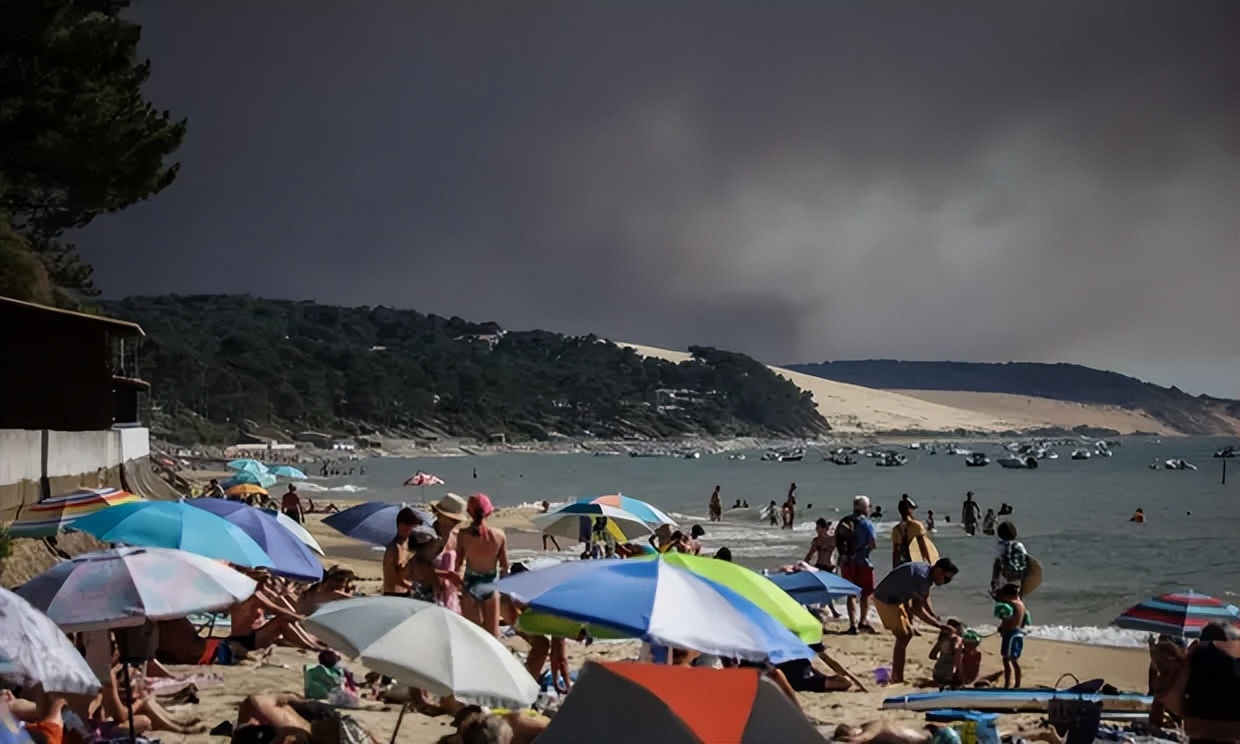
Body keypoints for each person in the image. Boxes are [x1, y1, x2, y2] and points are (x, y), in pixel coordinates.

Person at [871, 558, 959, 684]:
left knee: (907, 634)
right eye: (946, 578)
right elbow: (917, 609)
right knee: (903, 636)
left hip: (896, 600)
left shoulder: (926, 571)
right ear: (939, 571)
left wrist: (934, 616)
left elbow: (925, 597)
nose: (945, 582)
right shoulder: (921, 578)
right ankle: (897, 677)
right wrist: (939, 625)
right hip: (885, 600)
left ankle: (897, 674)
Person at [1165, 622, 1240, 744]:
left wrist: (1185, 716)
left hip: (1199, 726)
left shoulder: (1196, 654)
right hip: (1232, 729)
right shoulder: (1234, 657)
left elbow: (1179, 689)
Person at [456, 494, 509, 637]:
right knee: (492, 635)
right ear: (489, 512)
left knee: (472, 634)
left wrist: (458, 588)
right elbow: (504, 566)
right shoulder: (499, 535)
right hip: (490, 583)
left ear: (469, 512)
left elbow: (458, 564)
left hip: (471, 584)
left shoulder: (463, 535)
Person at [835, 495, 879, 635]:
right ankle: (863, 621)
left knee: (851, 593)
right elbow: (873, 543)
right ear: (863, 508)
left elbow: (837, 540)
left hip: (847, 562)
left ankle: (853, 624)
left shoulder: (845, 521)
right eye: (868, 506)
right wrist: (866, 550)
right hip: (863, 562)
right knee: (866, 594)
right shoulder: (867, 523)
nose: (870, 509)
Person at [406, 525, 463, 605]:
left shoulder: (412, 561)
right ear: (424, 547)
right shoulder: (426, 565)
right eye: (434, 547)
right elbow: (436, 585)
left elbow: (406, 575)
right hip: (427, 600)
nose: (435, 551)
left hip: (414, 598)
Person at [804, 518, 843, 619]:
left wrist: (839, 564)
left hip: (831, 567)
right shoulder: (817, 541)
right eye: (816, 528)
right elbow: (810, 554)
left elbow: (842, 551)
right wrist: (804, 565)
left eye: (818, 528)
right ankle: (831, 611)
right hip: (820, 566)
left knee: (829, 590)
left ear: (824, 528)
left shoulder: (833, 539)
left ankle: (825, 609)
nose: (817, 530)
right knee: (823, 590)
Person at [994, 583, 1030, 688]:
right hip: (1018, 632)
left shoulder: (1012, 603)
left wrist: (1002, 626)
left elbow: (1008, 619)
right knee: (1013, 659)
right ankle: (1017, 684)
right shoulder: (1022, 604)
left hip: (1011, 634)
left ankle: (1007, 684)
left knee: (1007, 659)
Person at [382, 507, 421, 596]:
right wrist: (414, 588)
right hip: (393, 594)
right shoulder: (395, 548)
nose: (411, 529)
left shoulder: (407, 544)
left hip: (404, 592)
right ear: (401, 525)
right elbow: (397, 578)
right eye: (409, 525)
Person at [991, 521, 1028, 598]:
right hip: (1019, 579)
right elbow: (1027, 561)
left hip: (1006, 578)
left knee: (1002, 596)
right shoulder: (1019, 545)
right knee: (1017, 596)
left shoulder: (1001, 546)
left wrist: (994, 581)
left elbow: (997, 564)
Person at [891, 500, 932, 569]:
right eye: (912, 509)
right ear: (909, 510)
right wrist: (929, 564)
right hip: (915, 562)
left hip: (902, 564)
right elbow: (923, 547)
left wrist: (894, 568)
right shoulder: (916, 526)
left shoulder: (896, 529)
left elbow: (895, 552)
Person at [929, 619, 965, 687]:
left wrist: (941, 658)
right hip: (950, 674)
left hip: (937, 674)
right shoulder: (957, 639)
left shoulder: (941, 640)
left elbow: (932, 656)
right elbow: (956, 651)